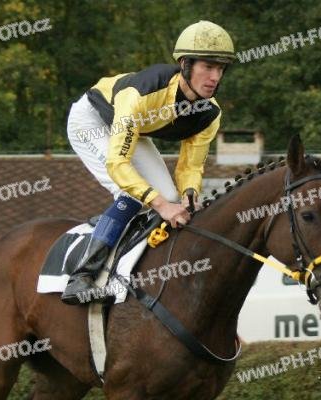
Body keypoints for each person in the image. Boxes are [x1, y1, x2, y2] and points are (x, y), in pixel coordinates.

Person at [61, 20, 235, 305]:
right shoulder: (141, 93)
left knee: (171, 197)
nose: (215, 77)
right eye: (208, 67)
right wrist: (162, 206)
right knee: (134, 194)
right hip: (91, 122)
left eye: (221, 68)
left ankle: (127, 249)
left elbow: (191, 166)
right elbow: (118, 163)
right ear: (185, 64)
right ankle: (82, 276)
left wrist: (190, 195)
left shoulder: (210, 114)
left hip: (133, 130)